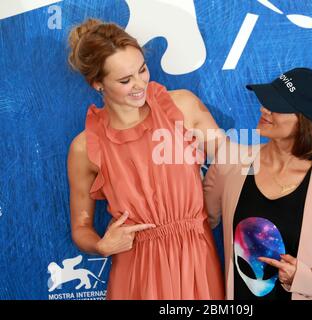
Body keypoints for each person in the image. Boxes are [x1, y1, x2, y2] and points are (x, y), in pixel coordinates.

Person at [66, 18, 225, 299]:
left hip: (197, 257)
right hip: (136, 268)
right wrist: (102, 246)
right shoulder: (84, 148)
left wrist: (311, 162)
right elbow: (81, 227)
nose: (140, 84)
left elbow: (235, 162)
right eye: (125, 80)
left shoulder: (182, 106)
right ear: (97, 84)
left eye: (142, 70)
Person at [203, 68, 312, 300]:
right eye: (266, 101)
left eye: (277, 105)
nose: (264, 109)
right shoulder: (231, 162)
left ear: (304, 121)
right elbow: (195, 221)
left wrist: (301, 278)